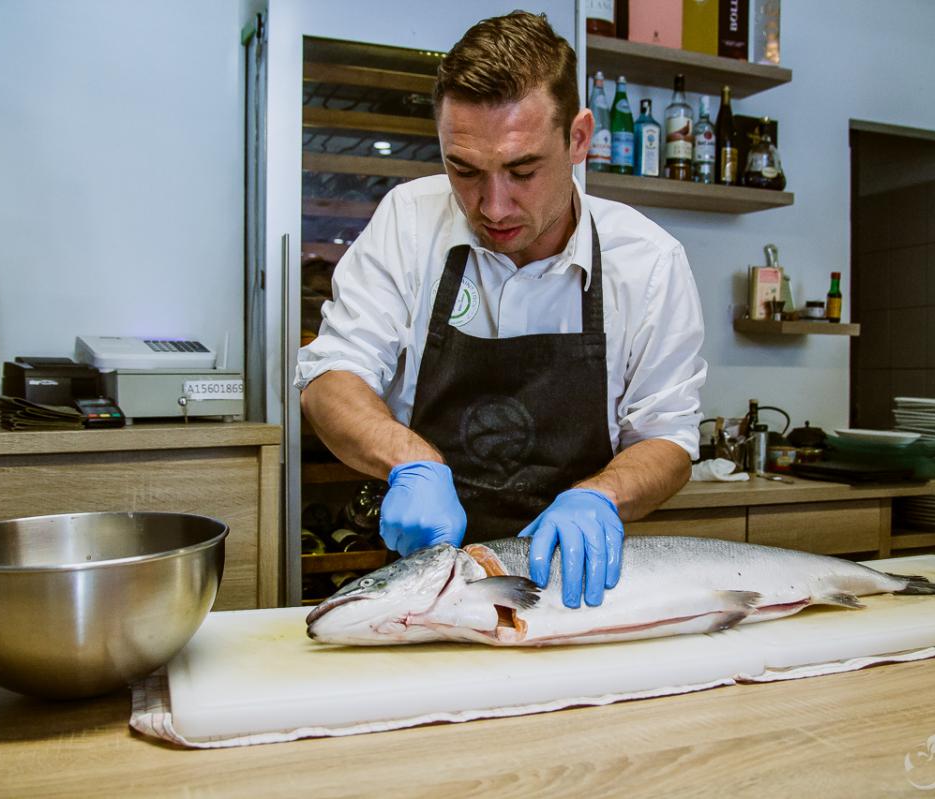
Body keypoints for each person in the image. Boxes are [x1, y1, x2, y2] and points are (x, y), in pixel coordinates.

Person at [297, 11, 706, 609]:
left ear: (578, 139)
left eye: (522, 170)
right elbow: (332, 378)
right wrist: (412, 463)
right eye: (463, 169)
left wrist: (601, 497)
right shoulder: (408, 222)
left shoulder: (649, 262)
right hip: (429, 583)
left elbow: (667, 439)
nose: (492, 206)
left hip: (577, 586)